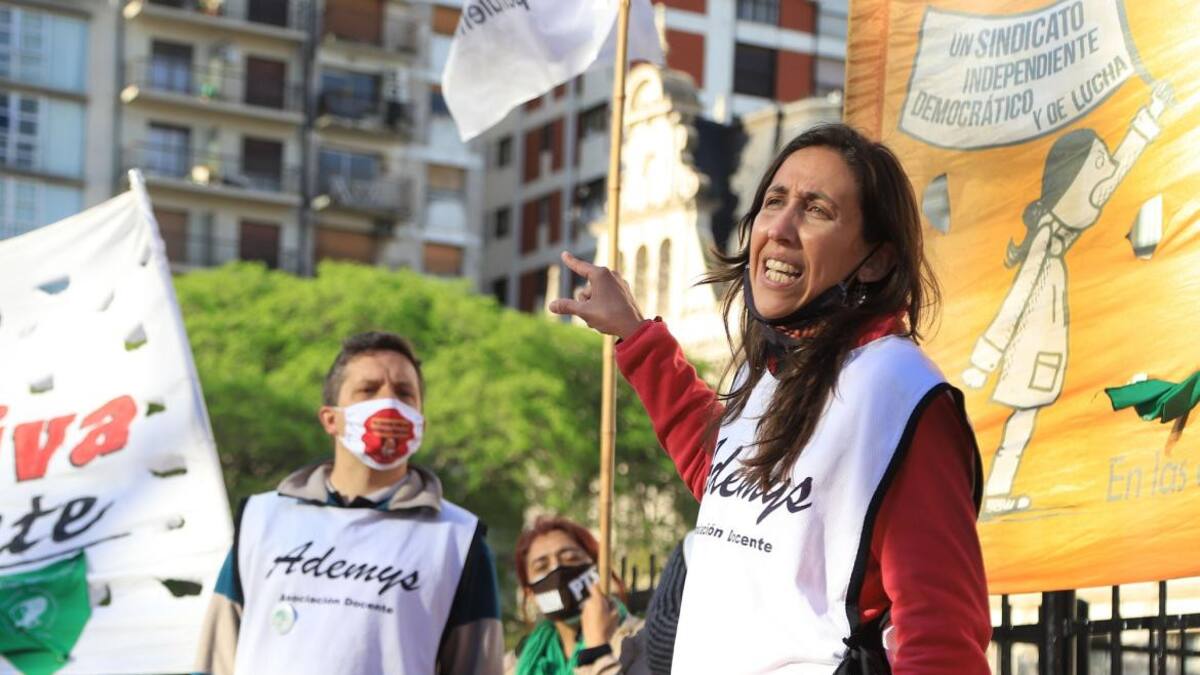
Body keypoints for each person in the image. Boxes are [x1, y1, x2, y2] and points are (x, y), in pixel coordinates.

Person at [551, 123, 991, 673]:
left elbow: (943, 635)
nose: (780, 228)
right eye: (774, 201)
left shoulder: (900, 392)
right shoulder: (772, 371)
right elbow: (724, 479)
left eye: (817, 210)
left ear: (876, 260)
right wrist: (636, 335)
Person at [194, 331, 503, 675]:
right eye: (368, 390)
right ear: (331, 419)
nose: (389, 403)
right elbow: (217, 656)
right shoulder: (262, 519)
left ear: (421, 423)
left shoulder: (458, 540)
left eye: (404, 393)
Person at [963, 82, 1173, 516]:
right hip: (1029, 355)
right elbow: (1017, 299)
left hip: (1044, 355)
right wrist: (985, 358)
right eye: (1097, 166)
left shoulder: (1061, 233)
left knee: (1023, 421)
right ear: (1070, 182)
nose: (1105, 174)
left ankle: (992, 492)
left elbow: (1113, 179)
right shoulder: (1046, 241)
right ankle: (990, 493)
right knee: (1019, 421)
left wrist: (1147, 118)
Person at [506, 516, 642, 675]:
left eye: (570, 558)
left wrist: (597, 651)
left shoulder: (643, 641)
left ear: (597, 569)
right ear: (530, 594)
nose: (556, 569)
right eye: (542, 566)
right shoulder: (513, 665)